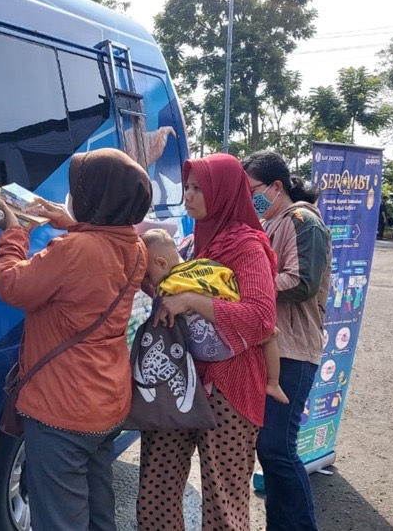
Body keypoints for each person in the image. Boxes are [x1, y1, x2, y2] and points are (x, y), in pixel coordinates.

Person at [0, 148, 152, 531]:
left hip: (61, 410)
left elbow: (12, 284)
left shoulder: (72, 250)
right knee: (99, 512)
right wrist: (65, 220)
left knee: (61, 520)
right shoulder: (135, 248)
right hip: (106, 402)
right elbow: (98, 245)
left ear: (95, 198)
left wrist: (15, 233)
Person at [136, 153, 278, 531]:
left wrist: (193, 301)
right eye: (187, 186)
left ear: (225, 191)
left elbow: (262, 319)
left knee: (222, 500)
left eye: (200, 188)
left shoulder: (247, 248)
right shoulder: (190, 244)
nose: (189, 195)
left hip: (229, 387)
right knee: (156, 488)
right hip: (180, 380)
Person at [243, 150, 333, 531]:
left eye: (253, 191)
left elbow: (302, 282)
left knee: (277, 448)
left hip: (295, 351)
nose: (250, 199)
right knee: (270, 448)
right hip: (275, 348)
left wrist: (245, 286)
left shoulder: (301, 221)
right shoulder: (274, 221)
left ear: (276, 186)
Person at [141, 228, 288, 404]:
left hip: (210, 350)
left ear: (162, 263)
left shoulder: (169, 284)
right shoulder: (205, 266)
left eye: (148, 275)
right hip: (234, 333)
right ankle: (273, 382)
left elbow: (161, 303)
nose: (150, 281)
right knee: (270, 333)